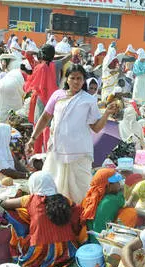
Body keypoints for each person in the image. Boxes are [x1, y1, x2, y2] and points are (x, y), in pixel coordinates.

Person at [26, 64, 118, 204]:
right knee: (53, 184)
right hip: (57, 150)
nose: (76, 82)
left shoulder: (89, 100)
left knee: (80, 190)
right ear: (66, 79)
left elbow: (96, 128)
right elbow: (45, 117)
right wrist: (33, 139)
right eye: (73, 78)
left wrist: (106, 114)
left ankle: (79, 217)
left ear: (83, 80)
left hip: (79, 153)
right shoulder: (57, 96)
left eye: (79, 78)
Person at [0, 171, 82, 267]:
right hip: (67, 249)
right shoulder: (65, 200)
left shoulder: (31, 199)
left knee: (12, 213)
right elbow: (77, 210)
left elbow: (3, 204)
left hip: (40, 251)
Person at [81, 168, 137, 235]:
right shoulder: (112, 200)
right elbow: (127, 204)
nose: (119, 184)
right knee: (131, 212)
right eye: (117, 182)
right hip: (102, 239)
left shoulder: (90, 197)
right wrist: (125, 192)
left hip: (90, 236)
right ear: (108, 186)